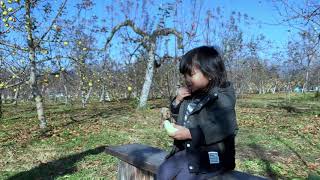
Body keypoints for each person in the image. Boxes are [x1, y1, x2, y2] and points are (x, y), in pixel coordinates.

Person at [156, 46, 238, 180]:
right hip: (191, 151)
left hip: (214, 155)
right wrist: (177, 101)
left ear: (210, 73)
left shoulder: (222, 97)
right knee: (163, 171)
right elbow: (180, 117)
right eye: (184, 75)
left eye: (191, 74)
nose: (186, 79)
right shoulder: (192, 95)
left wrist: (190, 133)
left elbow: (225, 127)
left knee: (184, 178)